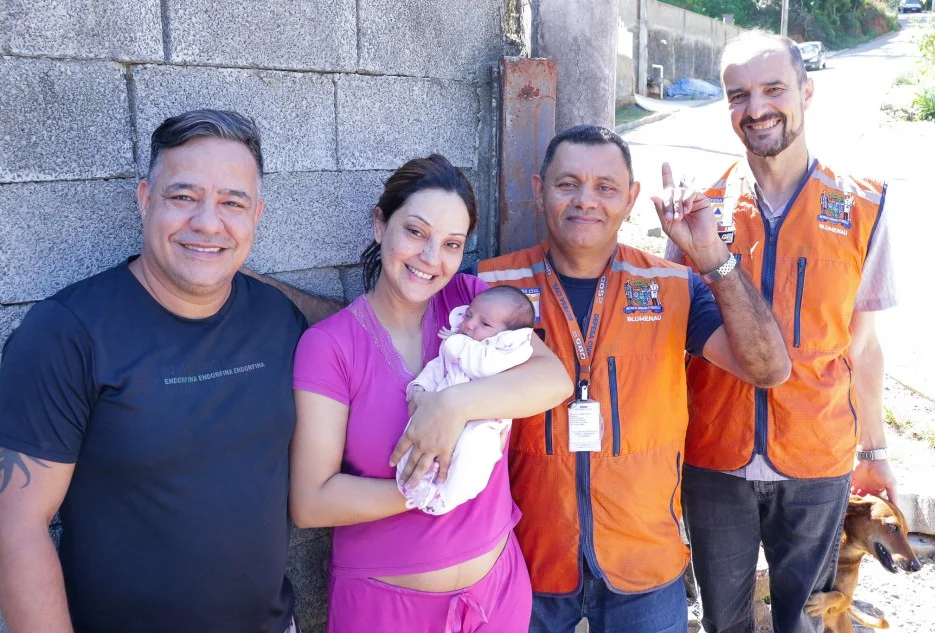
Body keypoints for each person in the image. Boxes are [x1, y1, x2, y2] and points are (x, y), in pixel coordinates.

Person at [0, 109, 341, 632]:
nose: (208, 221)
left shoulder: (278, 320)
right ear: (144, 199)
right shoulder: (67, 332)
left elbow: (359, 350)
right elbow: (16, 527)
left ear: (257, 214)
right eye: (183, 197)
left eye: (233, 203)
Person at [475, 124, 792, 633]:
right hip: (523, 560)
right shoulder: (489, 286)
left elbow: (769, 368)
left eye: (606, 187)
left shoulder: (673, 286)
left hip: (643, 566)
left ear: (631, 198)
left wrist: (712, 257)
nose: (586, 201)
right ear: (539, 190)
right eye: (567, 184)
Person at [665, 30, 898, 633]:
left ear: (807, 91)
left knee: (805, 621)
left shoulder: (862, 205)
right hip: (715, 457)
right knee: (724, 621)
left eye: (773, 89)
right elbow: (667, 343)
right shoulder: (699, 208)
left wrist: (874, 453)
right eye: (739, 94)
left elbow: (864, 347)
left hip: (817, 458)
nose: (757, 107)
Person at [288, 154, 572, 633]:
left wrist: (452, 406)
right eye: (416, 232)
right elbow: (312, 502)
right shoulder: (331, 347)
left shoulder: (469, 304)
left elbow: (555, 381)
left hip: (498, 594)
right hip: (385, 610)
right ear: (381, 225)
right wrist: (429, 490)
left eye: (451, 243)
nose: (430, 258)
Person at [398, 285, 537, 514]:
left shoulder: (507, 352)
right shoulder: (459, 343)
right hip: (441, 413)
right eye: (469, 315)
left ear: (506, 335)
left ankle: (447, 497)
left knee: (471, 454)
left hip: (483, 422)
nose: (470, 324)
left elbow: (484, 366)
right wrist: (420, 388)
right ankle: (415, 483)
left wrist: (455, 343)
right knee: (415, 432)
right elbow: (437, 367)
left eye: (485, 324)